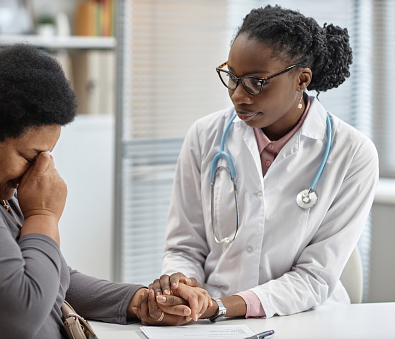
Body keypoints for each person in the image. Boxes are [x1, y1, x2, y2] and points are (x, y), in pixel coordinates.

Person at [0, 44, 210, 338]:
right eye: (29, 156)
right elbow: (19, 315)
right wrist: (43, 215)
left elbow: (53, 275)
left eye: (45, 156)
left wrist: (138, 302)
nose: (39, 172)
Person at [142, 4, 379, 324]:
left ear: (302, 79)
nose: (238, 95)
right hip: (211, 320)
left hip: (307, 320)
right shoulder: (204, 136)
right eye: (232, 78)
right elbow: (185, 245)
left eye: (256, 81)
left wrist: (222, 306)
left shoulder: (352, 154)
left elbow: (314, 277)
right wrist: (184, 287)